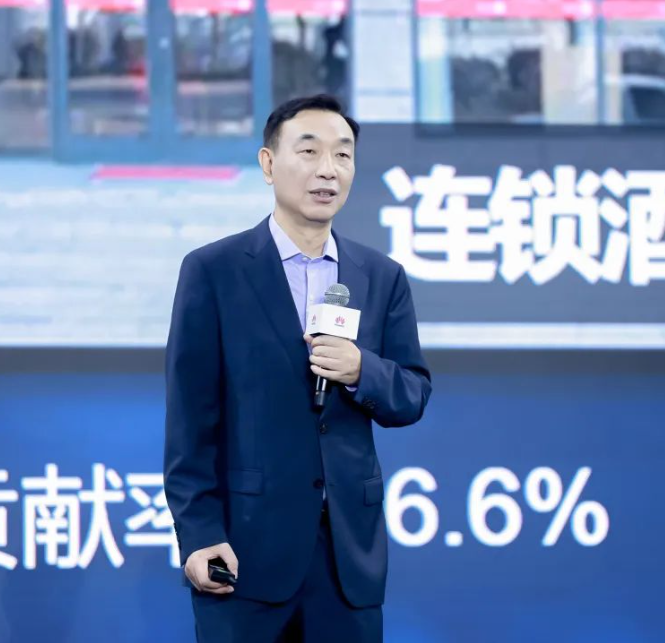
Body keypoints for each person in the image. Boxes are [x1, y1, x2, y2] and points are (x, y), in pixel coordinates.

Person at [163, 94, 432, 643]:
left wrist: (361, 370)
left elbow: (412, 393)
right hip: (244, 554)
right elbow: (190, 423)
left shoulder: (381, 276)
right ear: (268, 164)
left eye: (342, 155)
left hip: (347, 560)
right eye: (309, 152)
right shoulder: (214, 271)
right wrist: (198, 534)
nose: (327, 170)